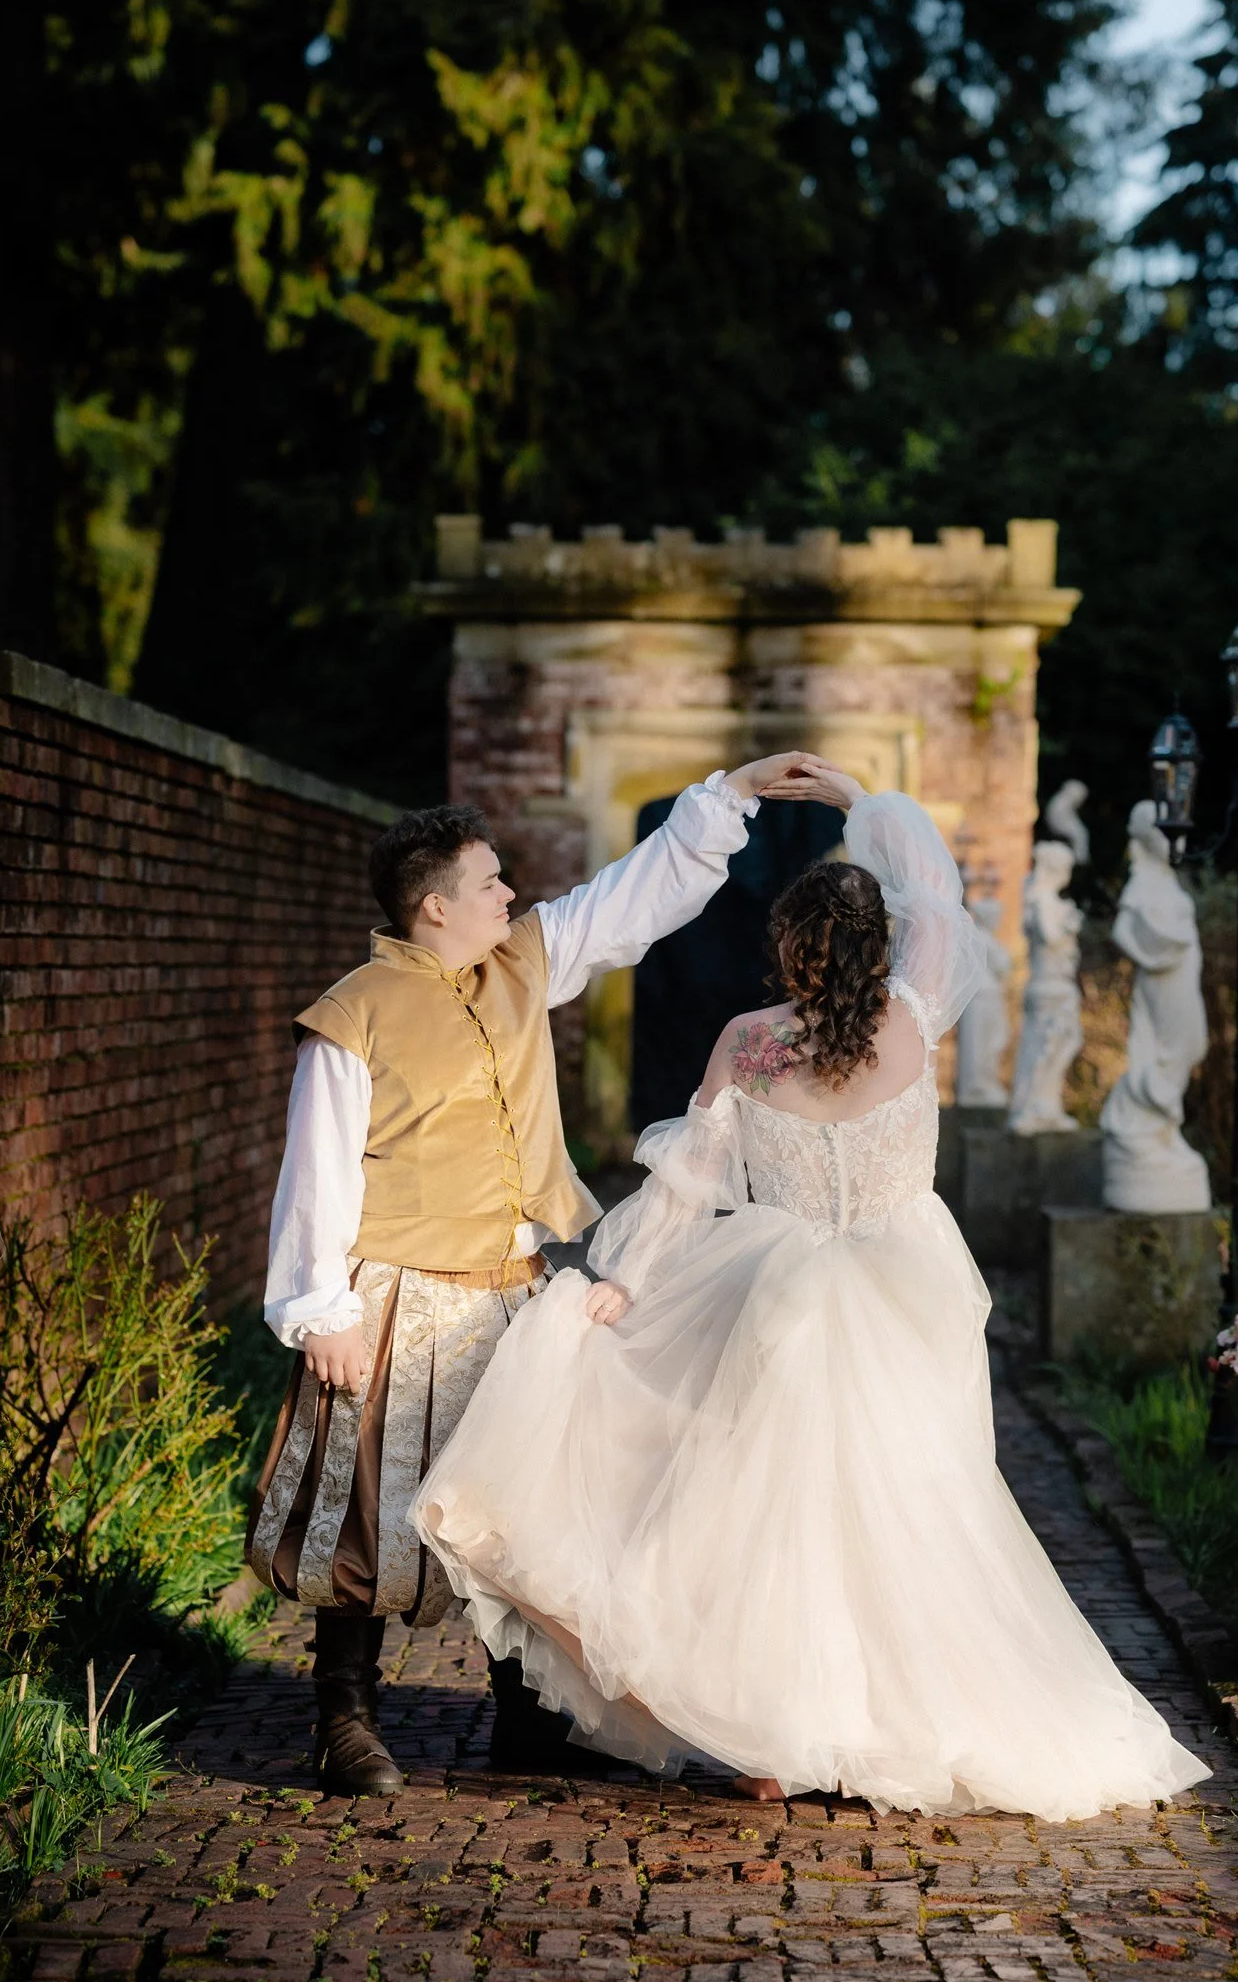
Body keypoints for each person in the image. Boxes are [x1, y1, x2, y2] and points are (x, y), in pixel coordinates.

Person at [409, 760, 1212, 1819]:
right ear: (880, 949)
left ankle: (762, 1733)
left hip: (774, 1297)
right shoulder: (915, 1026)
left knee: (757, 1519)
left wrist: (617, 1284)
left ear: (789, 949)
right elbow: (941, 898)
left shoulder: (750, 1044)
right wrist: (857, 798)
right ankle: (874, 1715)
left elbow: (686, 1187)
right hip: (904, 1296)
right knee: (903, 1510)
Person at [247, 751, 819, 1797]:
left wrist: (729, 794)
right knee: (371, 1504)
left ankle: (530, 1714)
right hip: (394, 1293)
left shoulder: (520, 963)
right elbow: (315, 1166)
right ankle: (344, 1718)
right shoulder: (354, 1012)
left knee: (530, 1500)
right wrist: (316, 1306)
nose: (512, 894)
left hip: (510, 1281)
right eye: (490, 882)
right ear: (434, 905)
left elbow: (629, 898)